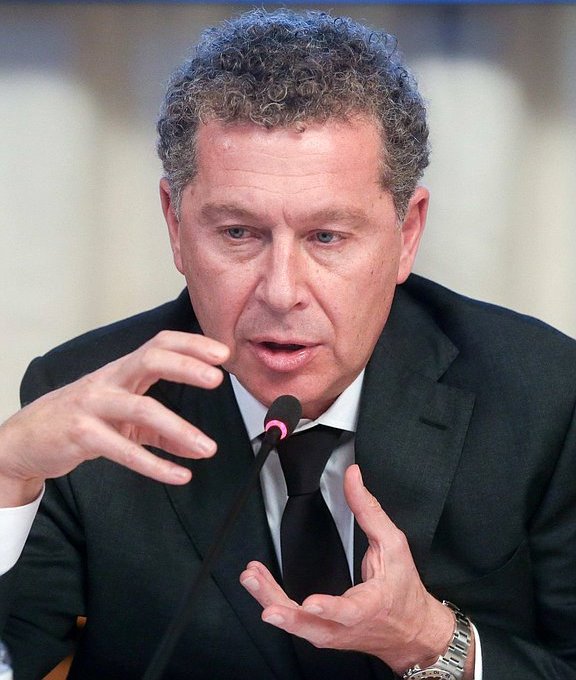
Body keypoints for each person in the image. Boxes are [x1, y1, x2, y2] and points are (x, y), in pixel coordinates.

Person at [0, 8, 575, 680]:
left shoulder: (540, 394)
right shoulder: (90, 402)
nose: (281, 291)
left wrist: (430, 641)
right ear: (176, 227)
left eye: (327, 237)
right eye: (238, 233)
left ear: (407, 233)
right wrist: (6, 479)